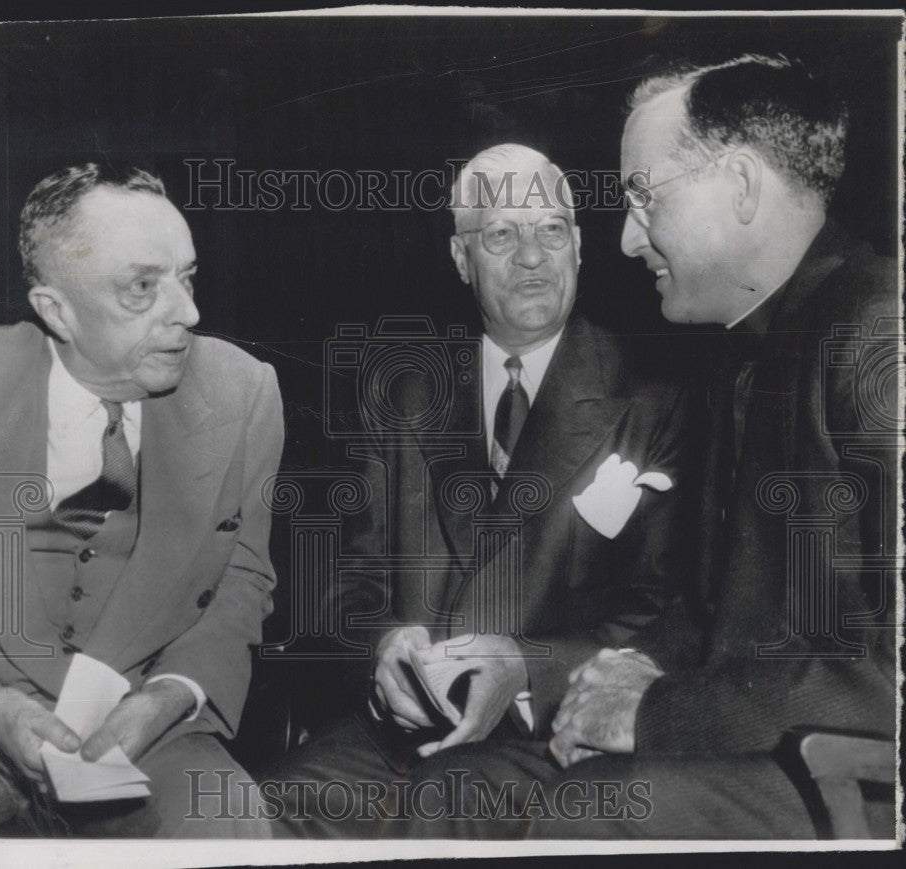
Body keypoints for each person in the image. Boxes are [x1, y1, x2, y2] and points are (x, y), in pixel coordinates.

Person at [410, 55, 898, 839]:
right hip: (743, 746)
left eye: (643, 196)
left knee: (589, 811)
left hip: (851, 779)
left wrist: (655, 708)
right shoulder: (729, 358)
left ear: (739, 186)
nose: (630, 239)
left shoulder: (879, 335)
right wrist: (566, 678)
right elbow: (703, 625)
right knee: (455, 788)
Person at [265, 144, 694, 837]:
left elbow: (667, 614)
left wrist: (526, 671)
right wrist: (380, 648)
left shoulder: (656, 396)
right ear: (462, 259)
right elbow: (349, 581)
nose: (532, 256)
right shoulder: (401, 390)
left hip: (553, 738)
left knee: (448, 799)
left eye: (551, 229)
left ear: (581, 247)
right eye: (501, 234)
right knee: (259, 809)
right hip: (394, 737)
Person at [0, 164, 283, 838]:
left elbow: (243, 577)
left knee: (230, 824)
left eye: (187, 277)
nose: (188, 313)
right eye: (143, 288)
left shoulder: (243, 392)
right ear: (55, 310)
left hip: (142, 729)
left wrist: (169, 695)